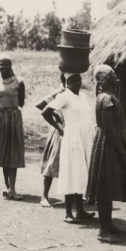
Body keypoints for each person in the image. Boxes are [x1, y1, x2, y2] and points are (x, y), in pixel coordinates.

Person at [86, 65, 126, 243]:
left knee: (108, 187)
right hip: (108, 147)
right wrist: (123, 153)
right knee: (105, 189)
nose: (116, 76)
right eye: (113, 74)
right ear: (106, 78)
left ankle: (108, 225)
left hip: (110, 145)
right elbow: (108, 129)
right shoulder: (107, 99)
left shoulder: (105, 97)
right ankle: (103, 231)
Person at [42, 73, 96, 222]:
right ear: (67, 83)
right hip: (72, 137)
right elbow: (45, 112)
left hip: (85, 137)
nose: (77, 82)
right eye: (73, 80)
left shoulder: (82, 96)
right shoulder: (64, 96)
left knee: (81, 172)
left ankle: (80, 211)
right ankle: (68, 213)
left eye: (79, 79)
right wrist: (59, 129)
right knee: (71, 172)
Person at [0, 54, 26, 201]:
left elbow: (21, 102)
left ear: (11, 65)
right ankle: (6, 186)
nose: (4, 67)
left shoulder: (19, 82)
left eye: (7, 64)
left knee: (13, 153)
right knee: (3, 153)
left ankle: (13, 188)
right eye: (1, 64)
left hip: (13, 117)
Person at [36, 74, 66, 208]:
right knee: (53, 163)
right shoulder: (60, 92)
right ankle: (44, 196)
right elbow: (40, 104)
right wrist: (56, 117)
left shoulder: (75, 94)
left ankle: (73, 197)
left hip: (71, 130)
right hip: (60, 130)